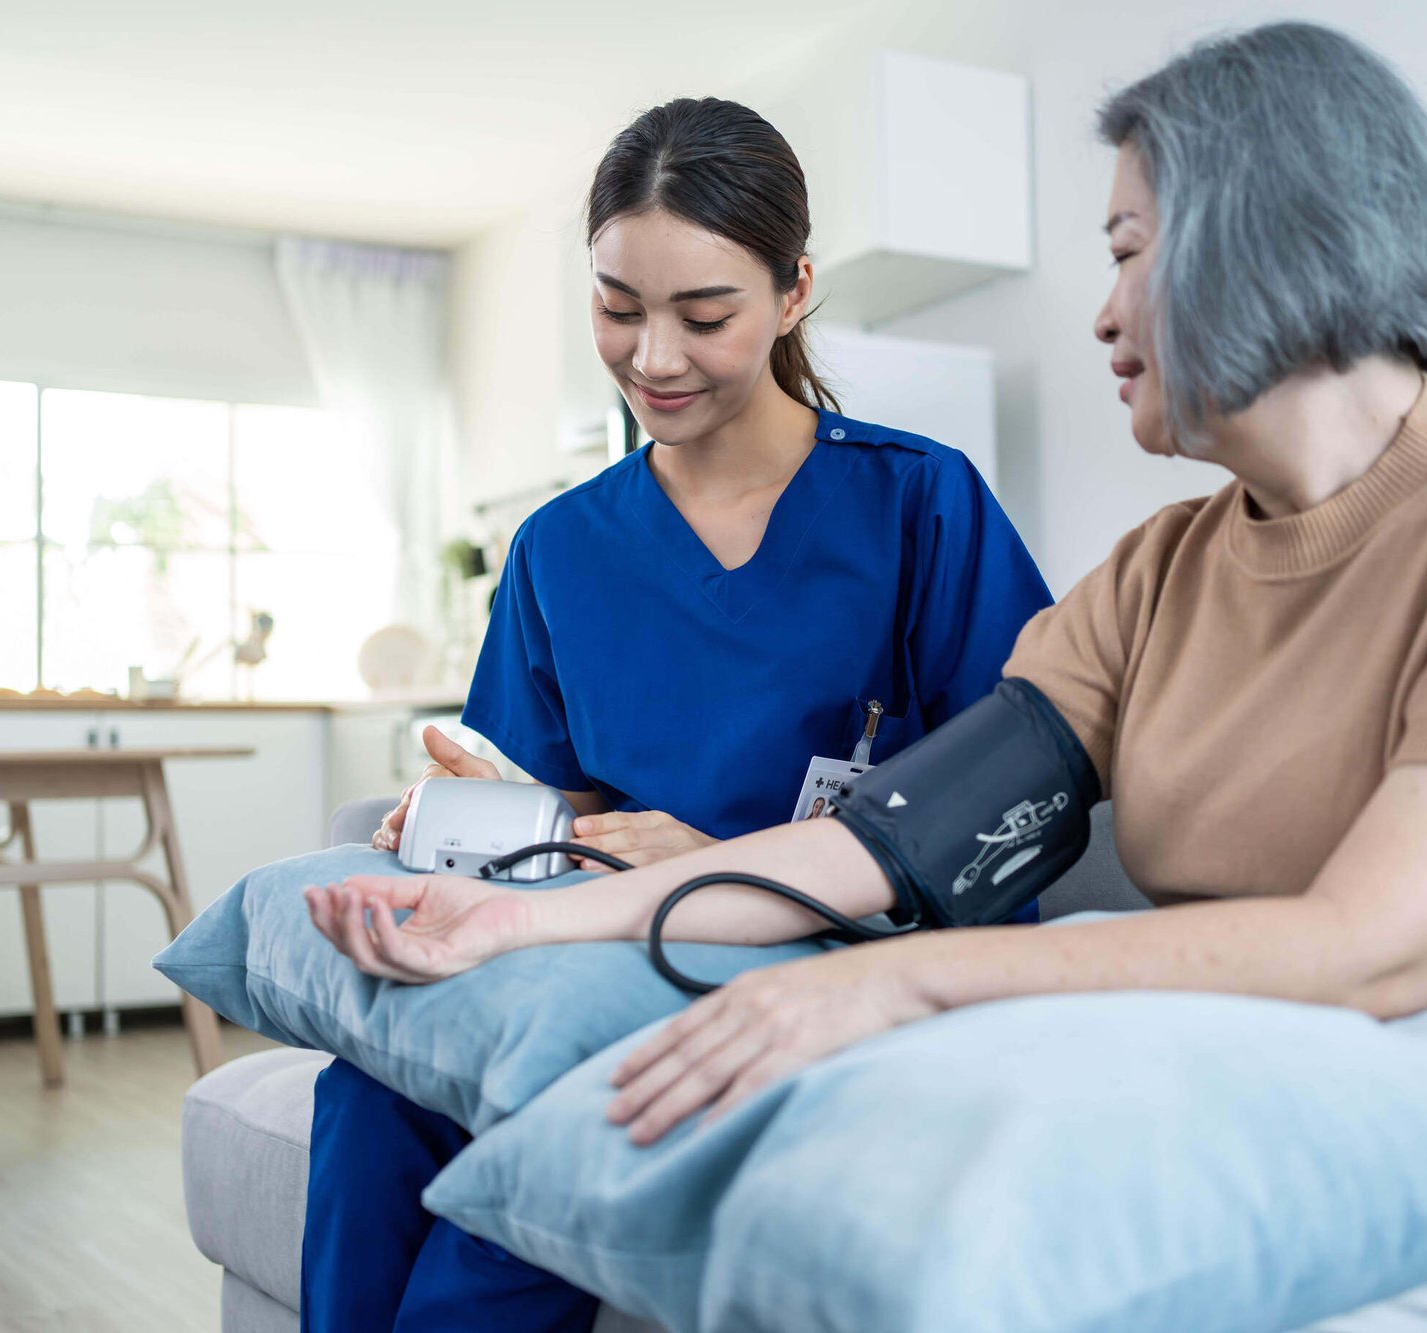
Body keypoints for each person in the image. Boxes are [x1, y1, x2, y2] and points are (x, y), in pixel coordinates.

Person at [313, 15, 1427, 1199]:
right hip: (1263, 1054)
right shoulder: (1163, 573)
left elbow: (1380, 941)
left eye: (1124, 251)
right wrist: (520, 921)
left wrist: (900, 986)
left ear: (1272, 239)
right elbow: (898, 841)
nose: (1100, 316)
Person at [299, 96, 1052, 1332]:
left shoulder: (920, 506)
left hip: (820, 955)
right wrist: (459, 821)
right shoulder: (558, 548)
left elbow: (1011, 804)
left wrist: (732, 868)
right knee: (370, 1088)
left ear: (794, 290)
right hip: (591, 933)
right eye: (616, 308)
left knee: (550, 1112)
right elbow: (552, 799)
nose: (652, 358)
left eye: (704, 316)